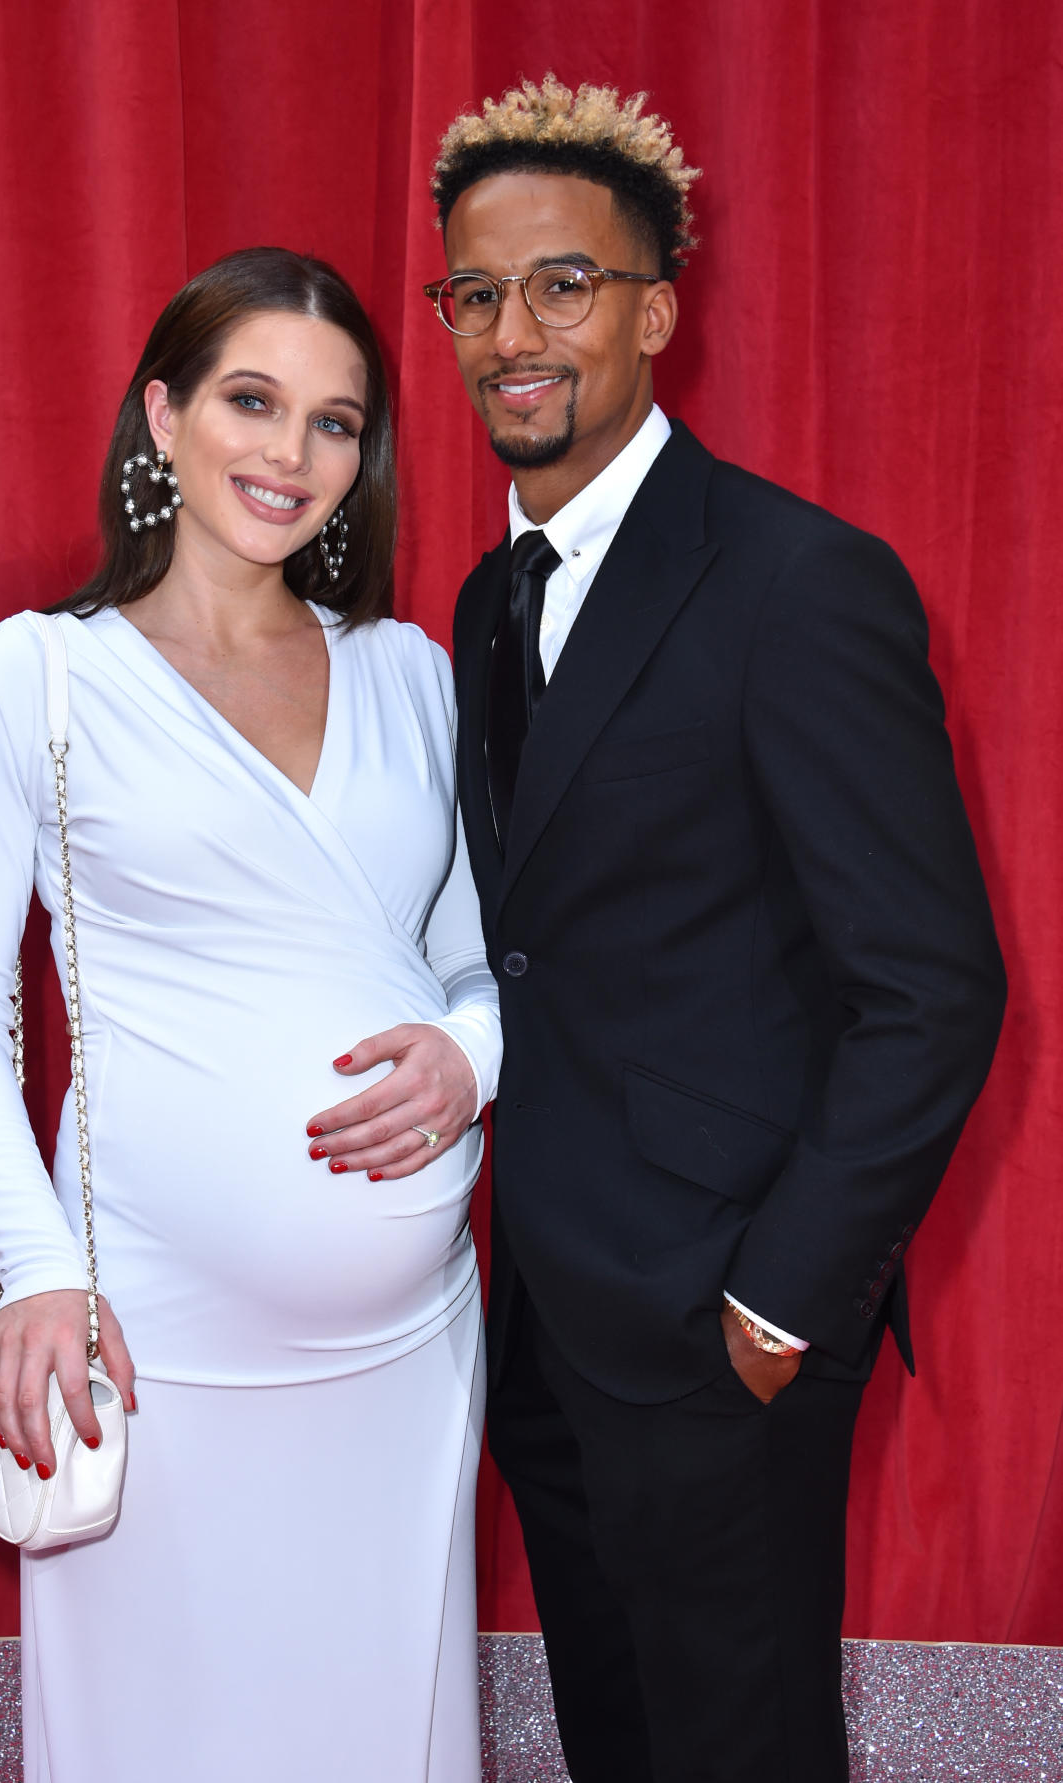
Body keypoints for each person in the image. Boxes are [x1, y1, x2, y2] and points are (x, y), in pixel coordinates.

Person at [426, 75, 1006, 1783]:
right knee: (620, 1737)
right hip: (541, 1308)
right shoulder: (479, 598)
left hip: (719, 1323)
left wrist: (779, 1304)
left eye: (562, 284)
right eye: (476, 292)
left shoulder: (793, 581)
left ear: (654, 310)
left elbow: (931, 987)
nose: (512, 332)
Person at [0, 247, 500, 1783]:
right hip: (150, 1346)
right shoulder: (29, 682)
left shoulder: (412, 678)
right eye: (251, 401)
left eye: (335, 422)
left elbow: (481, 971)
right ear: (160, 415)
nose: (289, 456)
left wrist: (471, 1057)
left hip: (407, 1361)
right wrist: (35, 1266)